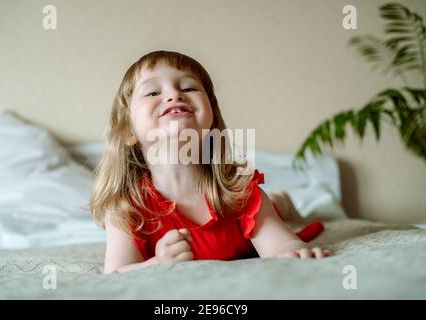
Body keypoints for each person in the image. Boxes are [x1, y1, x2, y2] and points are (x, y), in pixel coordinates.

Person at [89, 50, 332, 274]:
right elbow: (116, 273)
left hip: (252, 207)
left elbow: (282, 246)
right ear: (128, 132)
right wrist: (158, 263)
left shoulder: (241, 193)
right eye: (153, 92)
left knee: (274, 206)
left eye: (188, 87)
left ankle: (283, 202)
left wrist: (292, 249)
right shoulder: (125, 208)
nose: (174, 94)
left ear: (212, 121)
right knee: (274, 204)